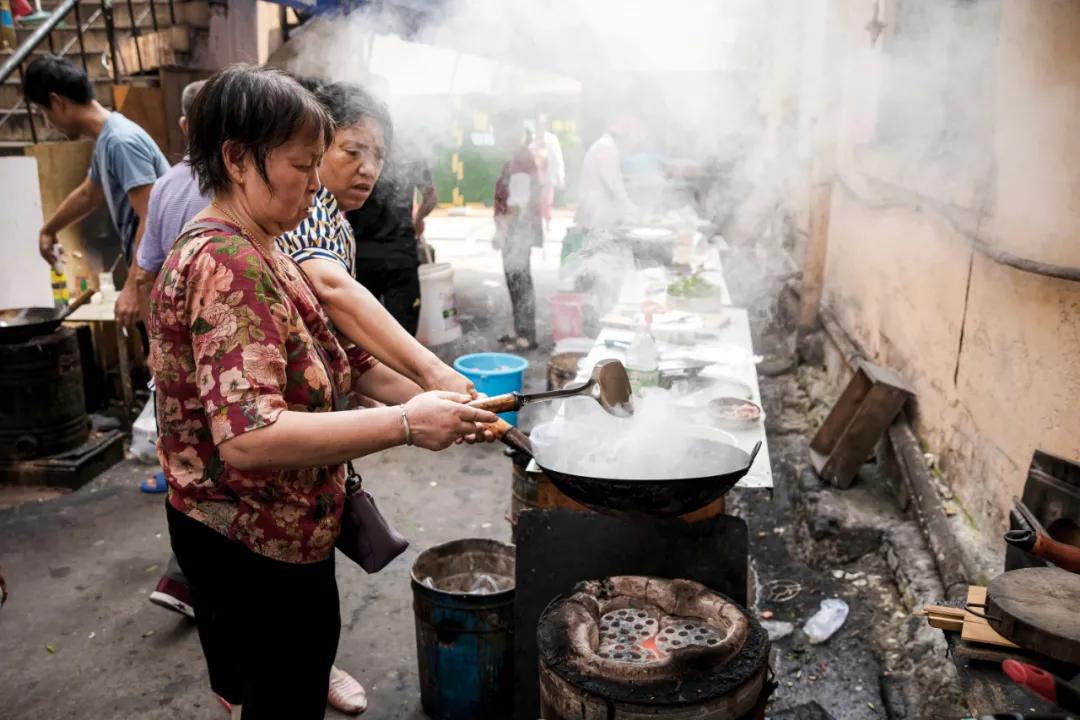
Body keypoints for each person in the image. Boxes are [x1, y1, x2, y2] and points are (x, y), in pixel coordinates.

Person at [149, 65, 499, 720]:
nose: (316, 185)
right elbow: (251, 436)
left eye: (318, 164)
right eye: (301, 165)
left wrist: (446, 400)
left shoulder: (266, 242)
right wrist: (403, 424)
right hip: (250, 543)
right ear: (235, 158)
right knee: (281, 696)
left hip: (282, 532)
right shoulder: (229, 262)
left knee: (289, 684)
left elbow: (347, 358)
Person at [279, 80, 473, 399]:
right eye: (352, 151)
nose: (369, 168)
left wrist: (441, 400)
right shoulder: (306, 209)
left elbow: (349, 352)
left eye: (378, 156)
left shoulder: (339, 223)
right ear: (316, 147)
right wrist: (434, 372)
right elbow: (332, 288)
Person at [24, 54, 169, 327]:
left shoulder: (121, 141)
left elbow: (151, 217)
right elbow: (88, 194)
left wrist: (130, 288)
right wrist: (49, 230)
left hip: (163, 279)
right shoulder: (107, 139)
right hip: (152, 278)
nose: (47, 124)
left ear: (58, 102)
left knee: (163, 367)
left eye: (44, 113)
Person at [346, 136, 437, 336]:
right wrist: (418, 220)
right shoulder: (411, 150)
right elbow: (431, 198)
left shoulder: (361, 147)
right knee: (403, 333)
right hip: (400, 255)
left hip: (361, 255)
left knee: (362, 335)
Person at [493, 127, 542, 350]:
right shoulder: (515, 157)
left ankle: (527, 334)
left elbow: (518, 203)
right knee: (515, 281)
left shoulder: (520, 158)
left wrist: (502, 231)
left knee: (520, 282)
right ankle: (519, 329)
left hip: (517, 231)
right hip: (514, 230)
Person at [574, 118, 641, 233]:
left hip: (595, 208)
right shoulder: (607, 148)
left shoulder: (603, 145)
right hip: (597, 212)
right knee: (599, 243)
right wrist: (635, 211)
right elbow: (614, 187)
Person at [531, 114, 565, 232]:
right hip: (534, 176)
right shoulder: (532, 138)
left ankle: (547, 222)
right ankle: (536, 224)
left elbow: (558, 158)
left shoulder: (552, 139)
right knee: (535, 201)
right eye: (539, 123)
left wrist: (560, 176)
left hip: (548, 176)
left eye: (543, 123)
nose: (541, 126)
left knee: (547, 201)